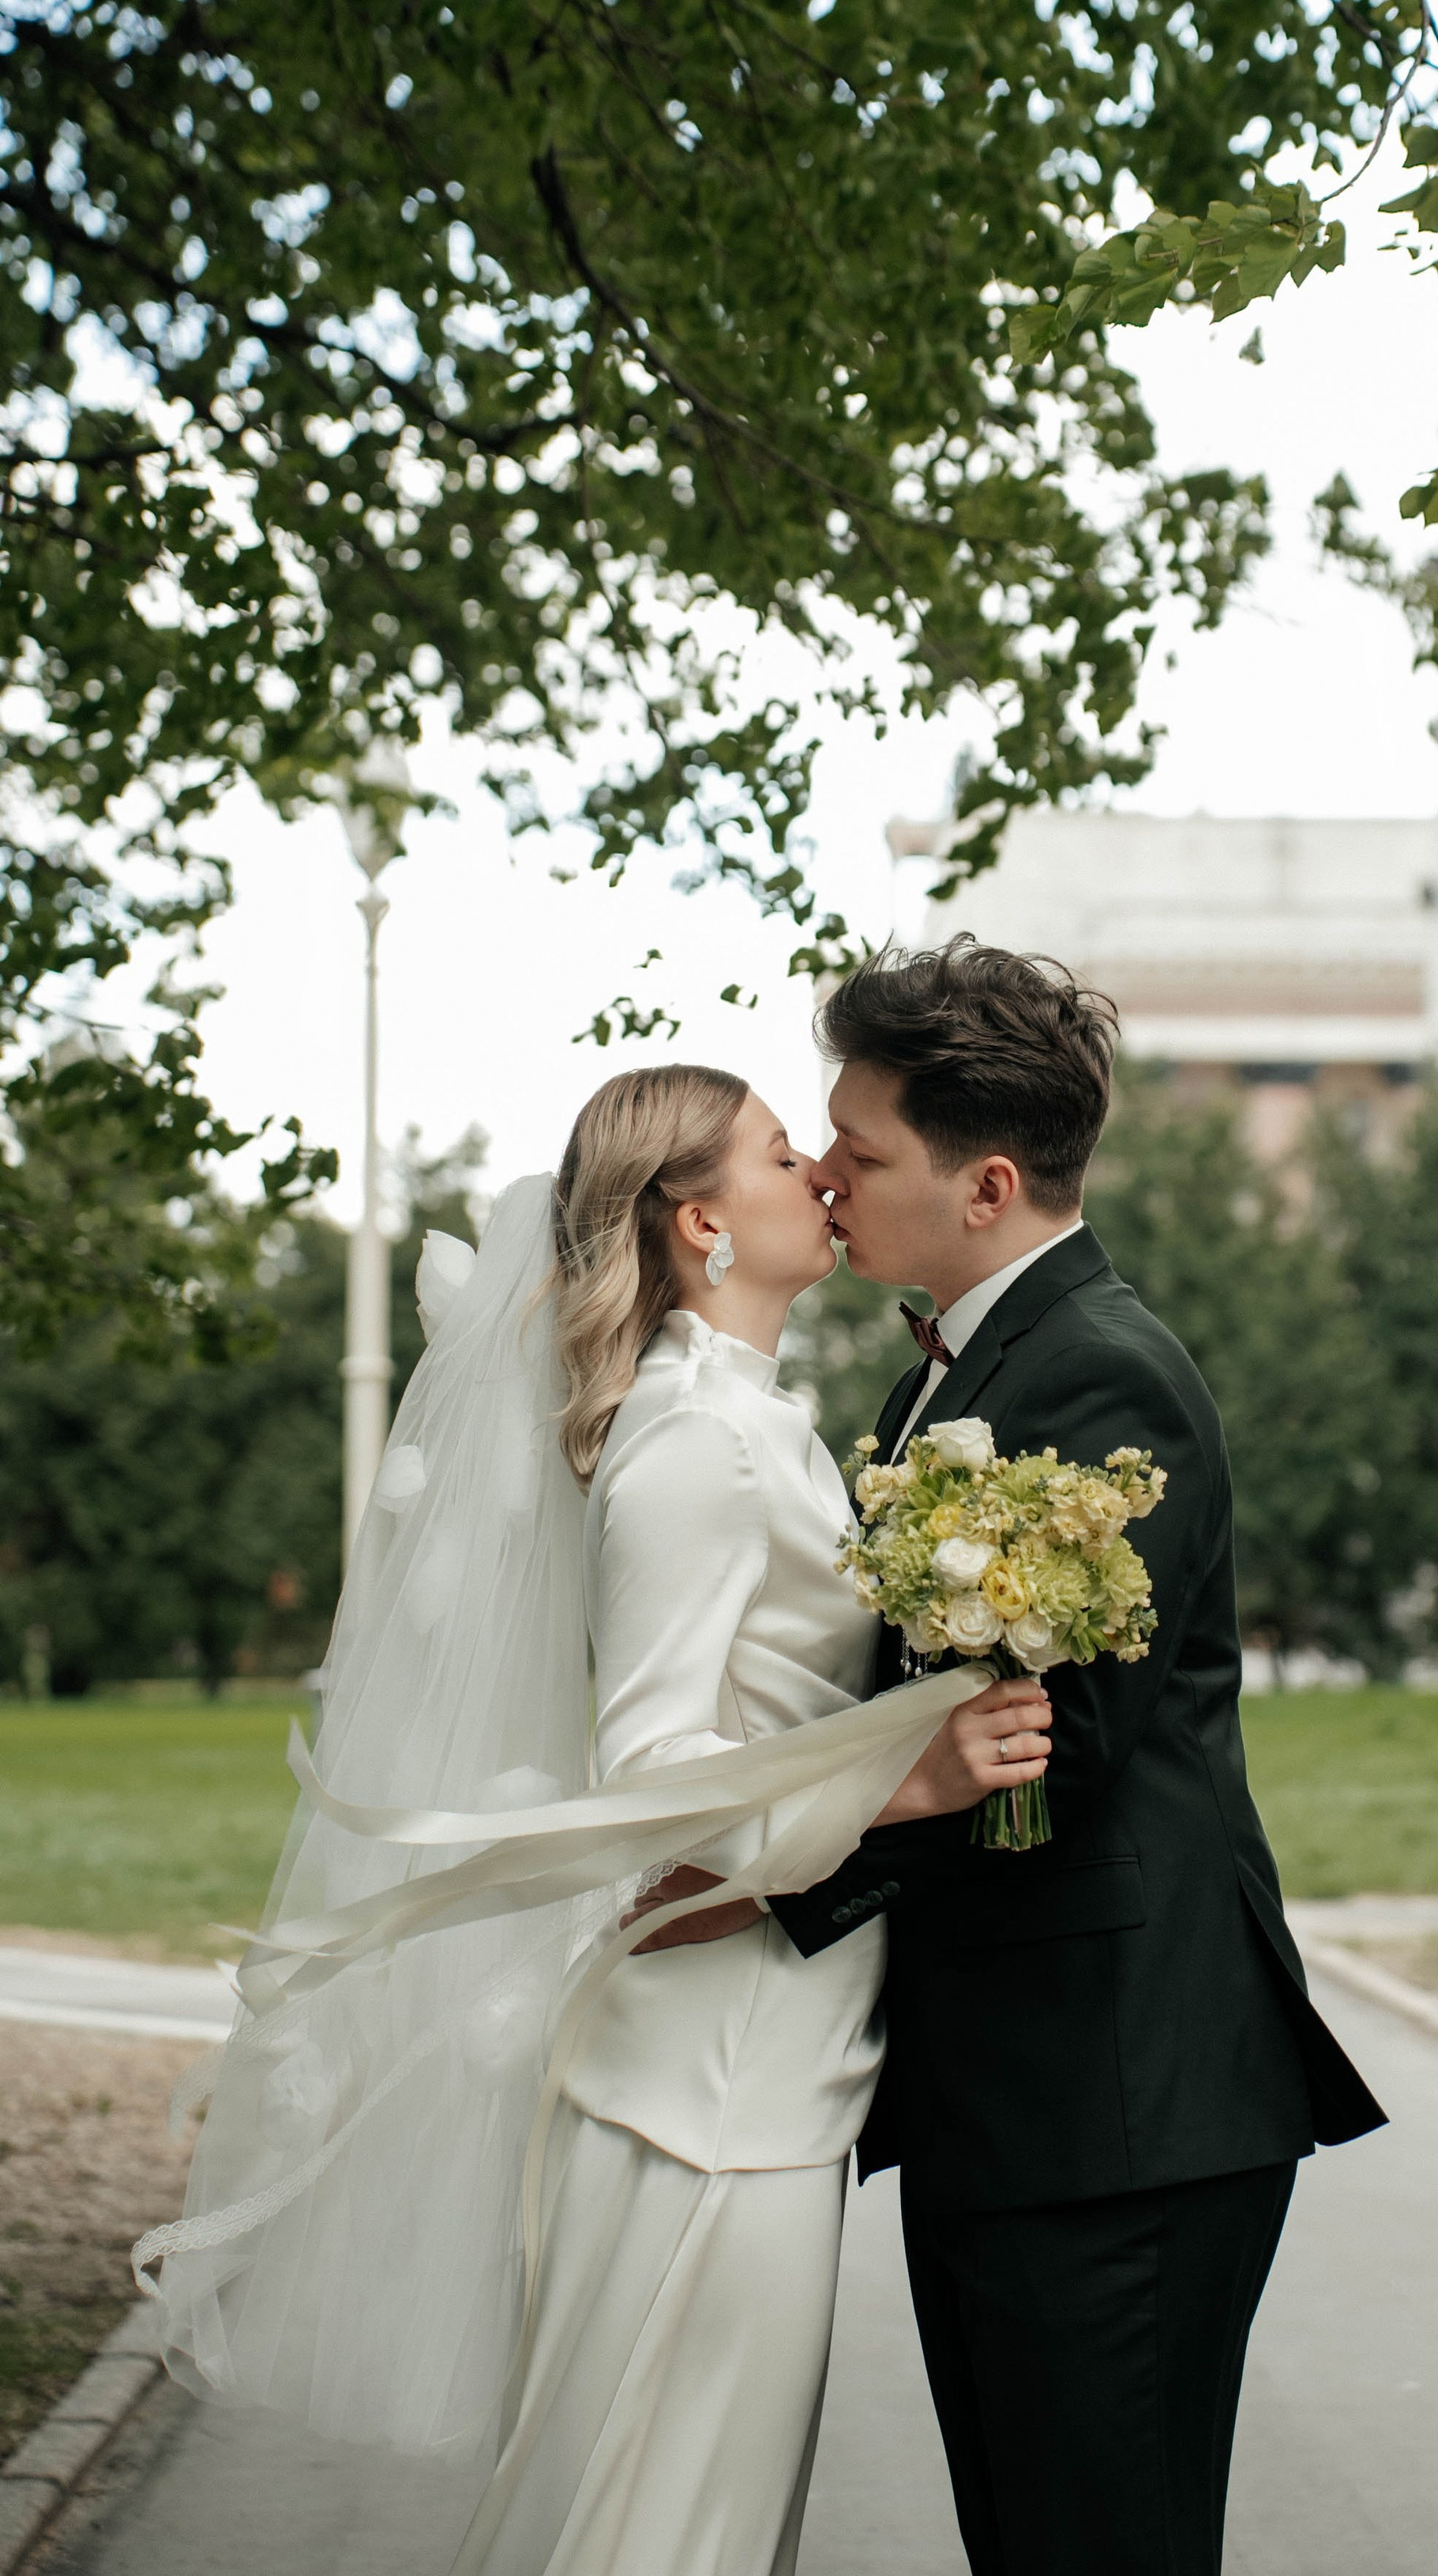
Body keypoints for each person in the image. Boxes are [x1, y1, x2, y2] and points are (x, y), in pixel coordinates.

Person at [139, 1065, 1049, 2576]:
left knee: (696, 2522)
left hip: (767, 2058)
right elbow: (648, 1783)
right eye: (779, 1154)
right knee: (660, 2531)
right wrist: (912, 1781)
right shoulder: (693, 1439)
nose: (821, 1172)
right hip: (703, 2087)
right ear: (702, 1220)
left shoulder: (762, 1423)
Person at [766, 938, 1387, 2576]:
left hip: (1114, 2112)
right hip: (1019, 2101)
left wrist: (753, 1879)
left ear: (980, 1183)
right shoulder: (965, 1370)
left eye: (860, 1146)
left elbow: (1047, 1760)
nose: (823, 1170)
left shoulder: (1096, 1371)